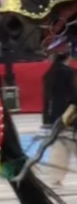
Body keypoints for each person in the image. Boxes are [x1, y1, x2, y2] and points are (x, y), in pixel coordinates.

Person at [42, 51, 77, 185]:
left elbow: (46, 98)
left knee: (59, 147)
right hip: (71, 116)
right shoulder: (71, 73)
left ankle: (55, 177)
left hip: (55, 117)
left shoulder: (48, 74)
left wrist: (46, 119)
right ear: (68, 57)